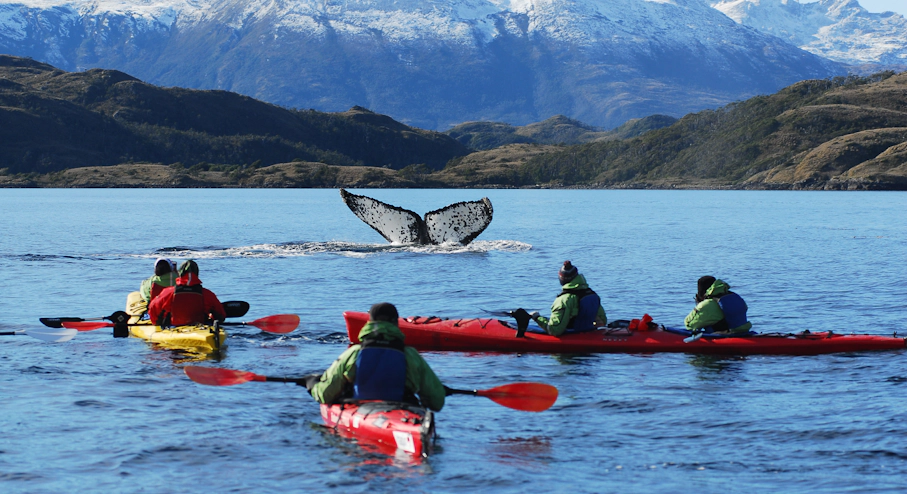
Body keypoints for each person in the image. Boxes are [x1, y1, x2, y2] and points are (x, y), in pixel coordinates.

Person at [303, 302, 446, 412]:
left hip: (362, 411)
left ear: (368, 323)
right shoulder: (411, 355)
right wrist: (437, 390)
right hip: (404, 413)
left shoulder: (353, 354)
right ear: (396, 324)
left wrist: (312, 384)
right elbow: (436, 403)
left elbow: (326, 394)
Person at [513, 260, 607, 337]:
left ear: (562, 278)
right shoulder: (592, 294)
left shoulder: (564, 300)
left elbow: (555, 331)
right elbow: (602, 322)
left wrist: (536, 317)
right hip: (588, 333)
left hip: (570, 336)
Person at [148, 260, 226, 327]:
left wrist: (157, 323)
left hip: (173, 328)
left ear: (180, 273)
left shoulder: (167, 293)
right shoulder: (207, 294)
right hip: (200, 329)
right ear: (197, 273)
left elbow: (152, 308)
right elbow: (221, 315)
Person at [684, 276, 752, 334]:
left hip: (724, 337)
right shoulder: (733, 296)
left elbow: (689, 325)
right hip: (743, 333)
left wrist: (698, 306)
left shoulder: (706, 305)